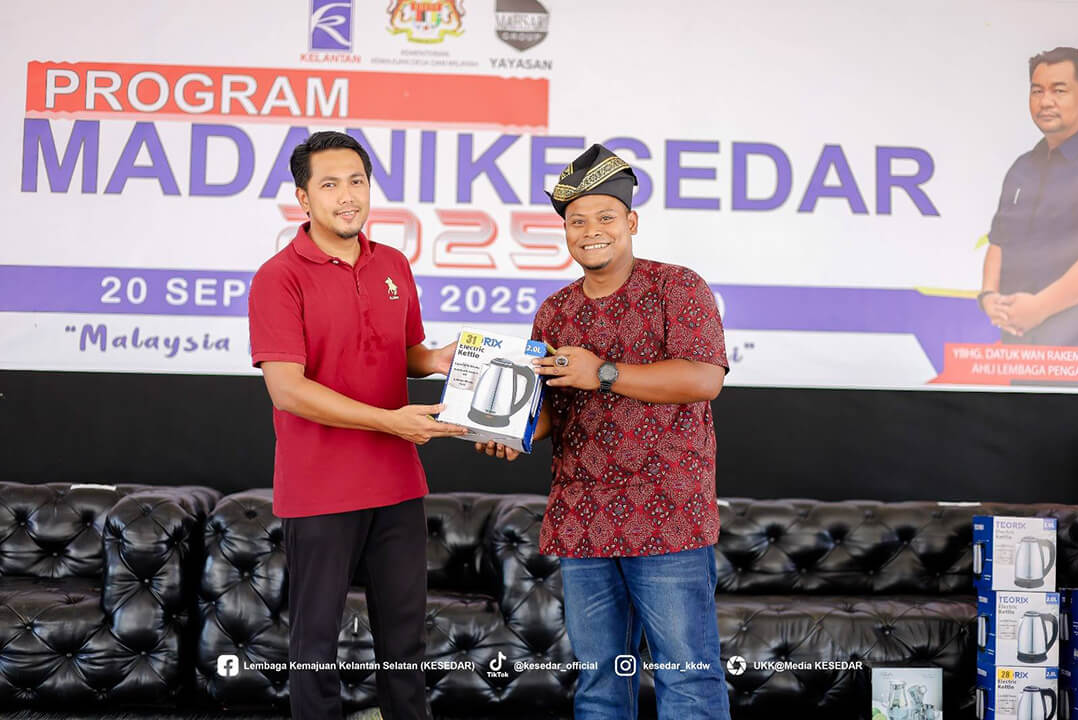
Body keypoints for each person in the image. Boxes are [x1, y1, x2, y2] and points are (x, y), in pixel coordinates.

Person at [479, 144, 732, 719]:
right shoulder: (555, 312)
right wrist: (513, 431)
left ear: (631, 222)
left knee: (687, 677)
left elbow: (704, 379)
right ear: (565, 231)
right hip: (584, 518)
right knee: (599, 683)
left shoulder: (677, 287)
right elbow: (550, 410)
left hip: (668, 516)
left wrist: (604, 372)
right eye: (577, 221)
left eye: (605, 217)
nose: (591, 231)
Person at [247, 130, 466, 720]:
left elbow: (404, 351)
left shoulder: (392, 263)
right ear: (303, 198)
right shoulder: (278, 277)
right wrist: (389, 422)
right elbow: (287, 389)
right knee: (315, 645)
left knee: (405, 642)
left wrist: (439, 359)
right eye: (329, 185)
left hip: (397, 483)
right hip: (320, 488)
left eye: (357, 182)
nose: (347, 196)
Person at [980, 46, 1078, 345]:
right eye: (1037, 91)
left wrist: (1040, 308)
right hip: (1018, 341)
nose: (1045, 101)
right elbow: (999, 239)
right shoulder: (1022, 168)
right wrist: (988, 295)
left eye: (1059, 90)